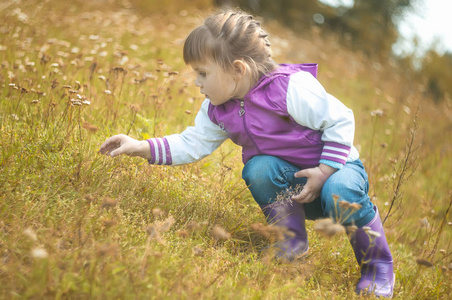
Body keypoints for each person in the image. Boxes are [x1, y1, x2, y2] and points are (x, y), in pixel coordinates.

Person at [99, 10, 395, 298]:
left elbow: (341, 119)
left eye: (203, 73)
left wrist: (325, 171)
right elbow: (192, 142)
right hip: (294, 183)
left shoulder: (289, 88)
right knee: (258, 169)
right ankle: (290, 243)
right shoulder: (219, 107)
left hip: (336, 171)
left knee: (339, 190)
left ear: (237, 69)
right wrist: (140, 146)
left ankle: (377, 266)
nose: (196, 82)